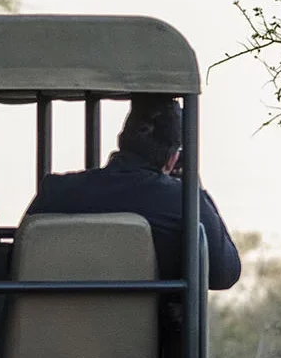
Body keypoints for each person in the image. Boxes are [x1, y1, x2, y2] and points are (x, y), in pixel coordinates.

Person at [23, 95, 242, 290]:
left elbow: (19, 260)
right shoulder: (182, 201)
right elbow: (225, 273)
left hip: (48, 332)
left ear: (123, 140)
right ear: (173, 157)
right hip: (146, 335)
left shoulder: (55, 191)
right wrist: (195, 187)